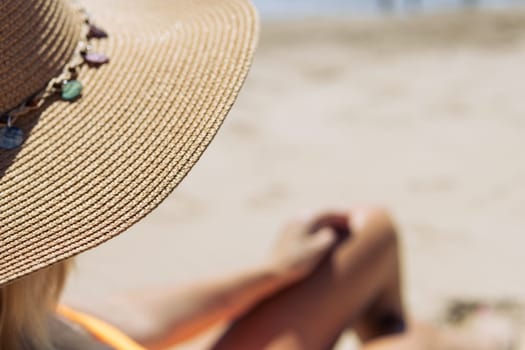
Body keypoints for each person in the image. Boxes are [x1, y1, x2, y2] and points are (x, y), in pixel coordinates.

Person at [0, 0, 515, 349]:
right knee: (408, 339)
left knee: (365, 234)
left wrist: (267, 275)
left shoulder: (20, 313)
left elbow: (96, 319)